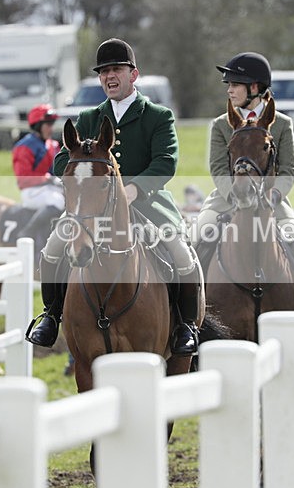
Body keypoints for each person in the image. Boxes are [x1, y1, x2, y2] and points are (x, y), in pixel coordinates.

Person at [26, 38, 202, 356]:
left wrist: (132, 190)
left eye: (116, 70)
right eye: (104, 71)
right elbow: (62, 161)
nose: (110, 77)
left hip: (148, 205)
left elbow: (165, 162)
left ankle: (186, 326)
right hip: (92, 205)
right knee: (52, 250)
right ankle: (51, 316)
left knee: (181, 254)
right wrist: (83, 172)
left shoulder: (158, 116)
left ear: (133, 74)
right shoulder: (89, 117)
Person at [194, 52, 294, 309]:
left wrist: (274, 196)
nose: (229, 90)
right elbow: (218, 169)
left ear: (254, 87)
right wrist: (235, 196)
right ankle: (196, 313)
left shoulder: (282, 124)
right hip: (226, 201)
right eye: (228, 85)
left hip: (272, 200)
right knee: (196, 242)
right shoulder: (221, 125)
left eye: (234, 84)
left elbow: (289, 168)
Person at [12, 104, 65, 253]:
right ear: (38, 125)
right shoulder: (24, 147)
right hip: (32, 191)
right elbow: (23, 179)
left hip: (49, 188)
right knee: (58, 201)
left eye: (52, 124)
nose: (51, 128)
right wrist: (48, 179)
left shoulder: (53, 145)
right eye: (48, 124)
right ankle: (27, 232)